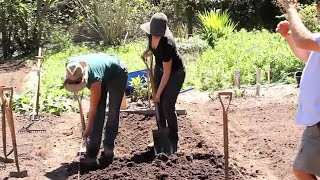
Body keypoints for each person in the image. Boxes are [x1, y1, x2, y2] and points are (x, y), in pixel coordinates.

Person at [277, 0, 320, 179]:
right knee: (302, 169)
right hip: (316, 120)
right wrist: (289, 36)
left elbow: (303, 40)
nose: (317, 12)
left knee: (301, 169)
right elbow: (307, 54)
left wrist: (291, 9)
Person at [63, 53, 128, 165]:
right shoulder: (71, 65)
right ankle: (93, 150)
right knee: (99, 110)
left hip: (117, 74)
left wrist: (88, 129)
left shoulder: (94, 79)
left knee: (112, 111)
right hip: (102, 72)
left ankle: (108, 148)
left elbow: (93, 109)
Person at [140, 13, 186, 153]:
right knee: (158, 104)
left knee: (167, 104)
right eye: (153, 33)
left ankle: (173, 139)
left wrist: (158, 93)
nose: (154, 36)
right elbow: (152, 47)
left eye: (157, 34)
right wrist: (147, 52)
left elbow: (167, 73)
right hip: (160, 68)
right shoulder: (150, 34)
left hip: (175, 73)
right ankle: (162, 136)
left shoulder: (167, 44)